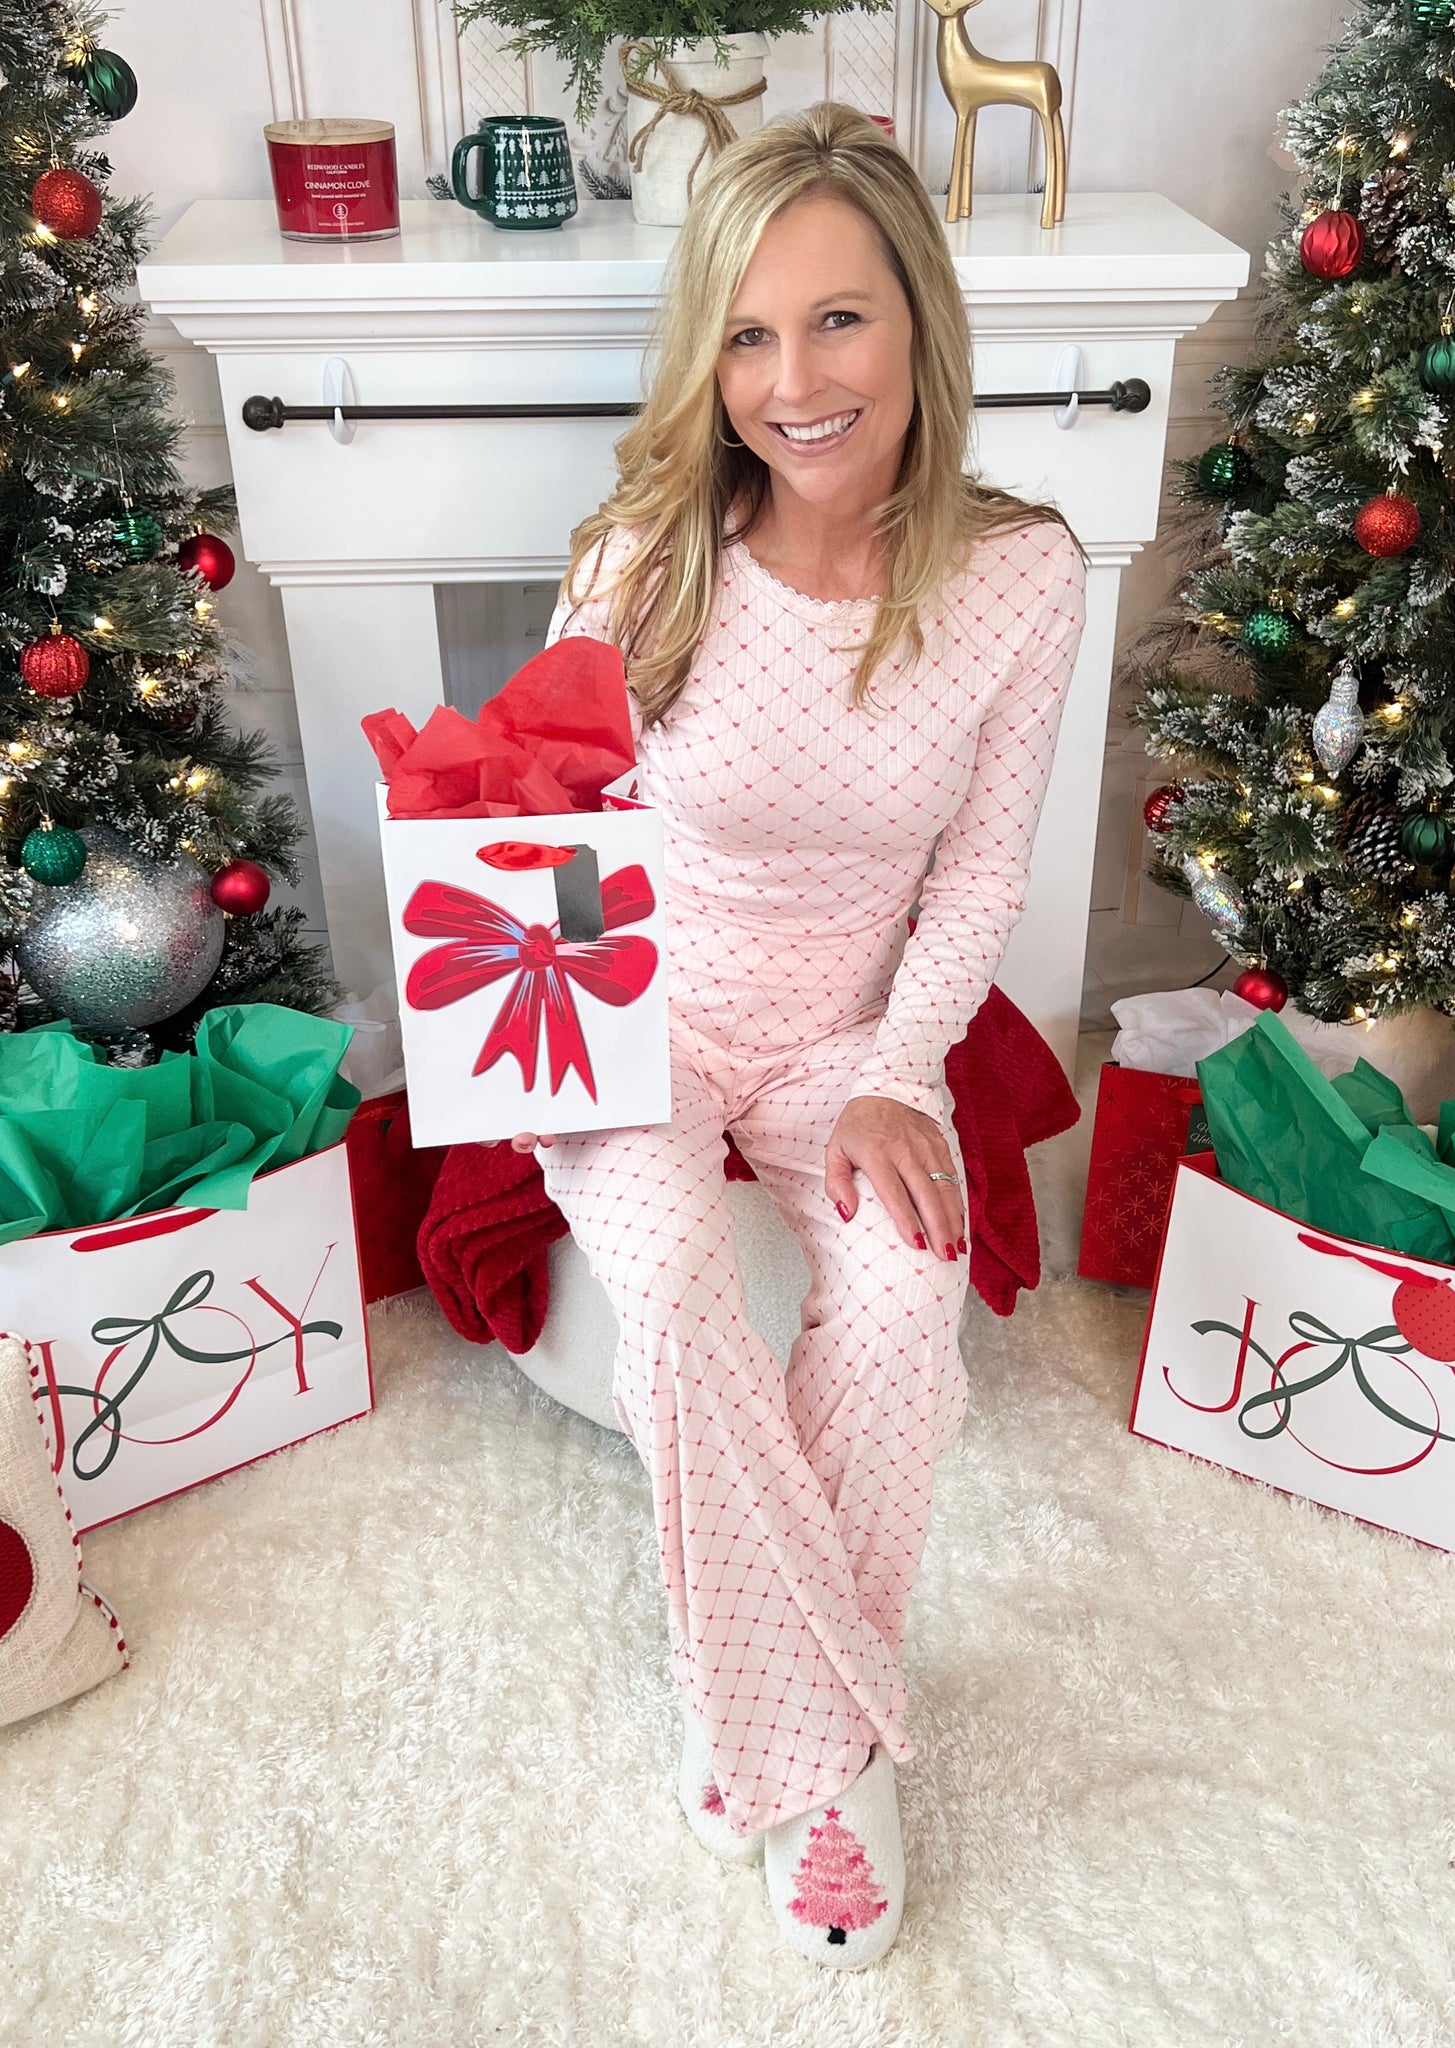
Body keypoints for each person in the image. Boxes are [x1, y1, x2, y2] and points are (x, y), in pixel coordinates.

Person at [521, 102, 1085, 1968]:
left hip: (850, 1032)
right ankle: (829, 1755)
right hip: (640, 1010)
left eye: (840, 320)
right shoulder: (644, 556)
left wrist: (899, 1073)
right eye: (749, 336)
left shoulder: (1021, 576)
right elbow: (553, 835)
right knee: (677, 1285)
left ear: (920, 319)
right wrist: (544, 1035)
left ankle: (764, 1703)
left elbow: (980, 873)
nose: (794, 384)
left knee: (911, 1298)